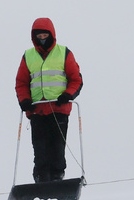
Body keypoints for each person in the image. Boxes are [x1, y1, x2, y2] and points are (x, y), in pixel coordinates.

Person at [15, 17, 83, 183]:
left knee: (57, 147)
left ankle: (57, 178)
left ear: (51, 34)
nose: (42, 39)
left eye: (45, 35)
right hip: (37, 110)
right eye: (39, 36)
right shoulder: (28, 56)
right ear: (34, 37)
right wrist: (24, 100)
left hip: (59, 108)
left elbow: (76, 79)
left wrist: (68, 94)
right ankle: (41, 180)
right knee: (39, 149)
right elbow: (21, 83)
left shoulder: (64, 53)